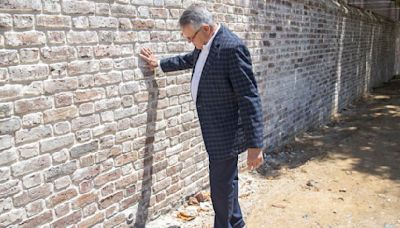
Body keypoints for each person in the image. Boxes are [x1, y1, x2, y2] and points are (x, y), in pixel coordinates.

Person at [140, 4, 264, 228]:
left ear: (205, 28)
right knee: (227, 182)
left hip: (224, 133)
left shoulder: (232, 48)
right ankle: (236, 223)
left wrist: (256, 145)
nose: (190, 42)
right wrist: (159, 64)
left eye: (190, 37)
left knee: (220, 187)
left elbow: (249, 96)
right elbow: (190, 59)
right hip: (214, 129)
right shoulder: (205, 44)